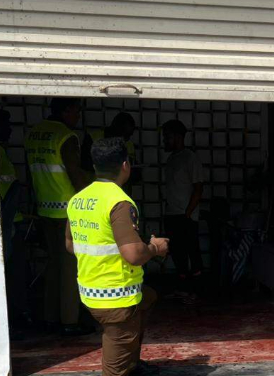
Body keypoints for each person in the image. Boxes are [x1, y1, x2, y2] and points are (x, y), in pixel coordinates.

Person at [66, 138, 169, 376]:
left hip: (89, 289)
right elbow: (133, 255)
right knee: (115, 367)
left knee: (148, 298)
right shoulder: (118, 201)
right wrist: (155, 248)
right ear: (125, 165)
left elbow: (70, 245)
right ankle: (125, 366)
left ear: (95, 166)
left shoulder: (78, 199)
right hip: (116, 295)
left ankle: (132, 363)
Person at [24, 97, 92, 336]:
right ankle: (70, 321)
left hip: (45, 208)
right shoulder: (66, 136)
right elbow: (75, 172)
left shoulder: (34, 134)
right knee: (70, 267)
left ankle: (50, 317)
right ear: (66, 110)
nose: (78, 117)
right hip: (67, 210)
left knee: (53, 264)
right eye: (76, 112)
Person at [0, 109, 32, 338]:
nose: (10, 130)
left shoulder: (0, 150)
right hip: (3, 225)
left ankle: (16, 315)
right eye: (5, 125)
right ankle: (13, 318)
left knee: (15, 272)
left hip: (11, 221)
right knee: (11, 274)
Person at [162, 120, 204, 295]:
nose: (165, 140)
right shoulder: (171, 159)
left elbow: (198, 188)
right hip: (172, 213)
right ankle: (183, 289)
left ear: (178, 137)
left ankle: (196, 290)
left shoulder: (190, 158)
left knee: (192, 252)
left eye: (168, 137)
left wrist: (188, 213)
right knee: (177, 254)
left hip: (185, 215)